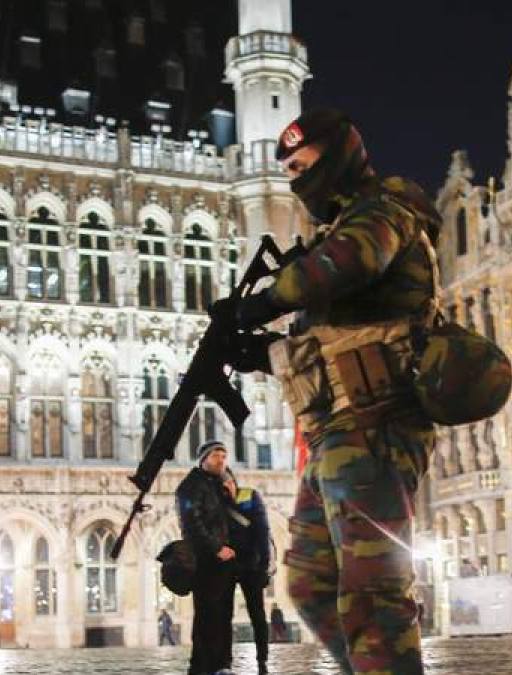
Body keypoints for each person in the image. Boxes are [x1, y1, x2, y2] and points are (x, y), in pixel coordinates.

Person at [211, 108, 442, 675]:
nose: (295, 179)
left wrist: (264, 301)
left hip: (376, 427)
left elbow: (347, 263)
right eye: (287, 169)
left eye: (303, 164)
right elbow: (328, 349)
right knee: (311, 579)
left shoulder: (383, 213)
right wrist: (260, 354)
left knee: (372, 593)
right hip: (334, 434)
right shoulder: (334, 236)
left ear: (339, 156)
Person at [176, 441, 237, 675]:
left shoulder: (218, 486)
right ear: (203, 459)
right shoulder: (191, 486)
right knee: (207, 614)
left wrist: (231, 497)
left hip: (224, 561)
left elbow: (228, 520)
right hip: (206, 560)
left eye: (224, 455)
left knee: (224, 613)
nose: (221, 460)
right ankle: (203, 667)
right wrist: (216, 549)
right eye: (216, 456)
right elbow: (191, 523)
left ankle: (223, 664)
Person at [224, 469, 273, 675]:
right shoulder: (216, 502)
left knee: (257, 614)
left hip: (251, 565)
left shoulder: (250, 495)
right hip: (226, 565)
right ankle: (224, 661)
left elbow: (263, 531)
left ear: (233, 481)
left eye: (227, 482)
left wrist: (264, 565)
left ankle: (262, 659)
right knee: (224, 615)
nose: (225, 487)